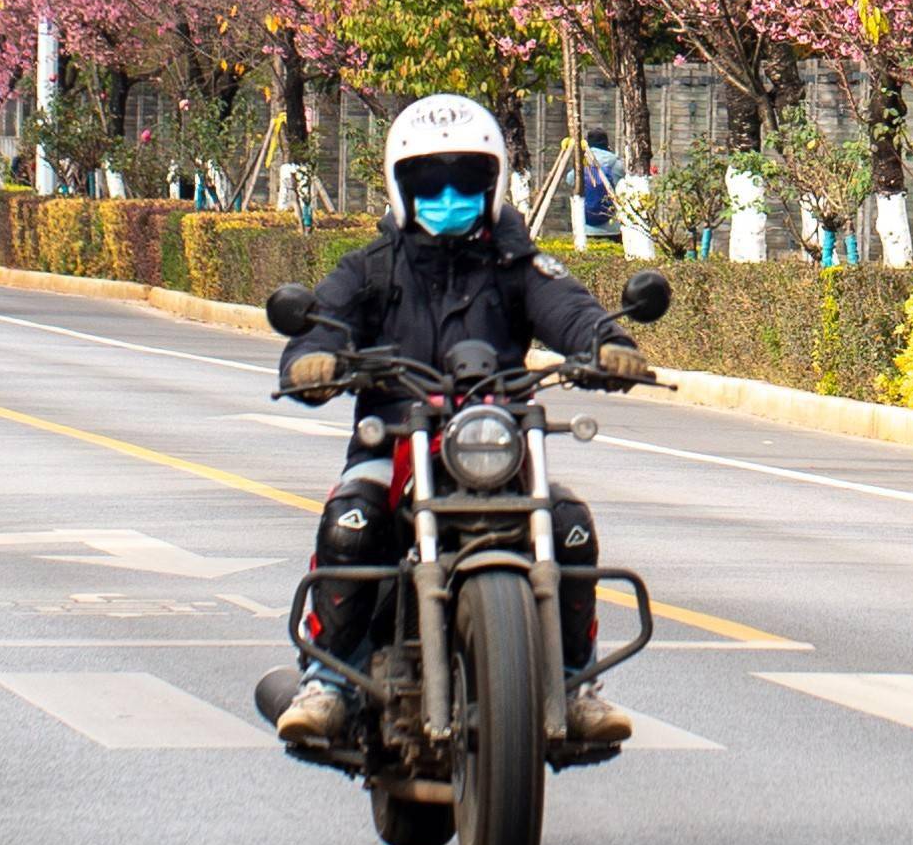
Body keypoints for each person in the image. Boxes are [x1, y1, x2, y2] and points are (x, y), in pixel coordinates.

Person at [273, 93, 647, 753]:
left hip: (493, 440)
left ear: (493, 183)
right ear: (401, 185)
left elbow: (570, 308)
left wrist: (606, 345)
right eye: (430, 181)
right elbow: (321, 323)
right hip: (393, 439)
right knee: (351, 521)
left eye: (466, 180)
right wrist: (312, 360)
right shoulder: (369, 268)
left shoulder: (518, 263)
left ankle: (572, 683)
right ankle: (328, 681)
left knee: (570, 523)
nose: (449, 193)